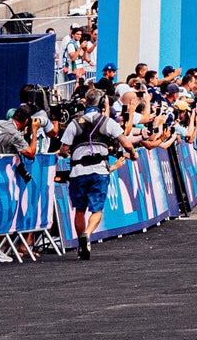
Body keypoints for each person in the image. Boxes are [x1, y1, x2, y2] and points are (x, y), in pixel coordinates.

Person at [59, 83, 131, 261]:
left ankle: (80, 244)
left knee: (79, 209)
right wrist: (134, 154)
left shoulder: (74, 123)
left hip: (77, 171)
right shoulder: (108, 122)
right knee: (97, 209)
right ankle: (88, 235)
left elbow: (63, 150)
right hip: (99, 171)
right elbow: (126, 143)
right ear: (102, 104)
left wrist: (72, 151)